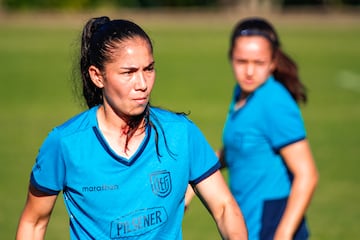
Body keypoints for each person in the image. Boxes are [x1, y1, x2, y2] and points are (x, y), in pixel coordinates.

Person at [16, 16, 248, 240]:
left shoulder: (180, 134)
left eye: (148, 69)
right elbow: (34, 222)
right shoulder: (65, 143)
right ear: (97, 76)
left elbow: (224, 207)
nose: (143, 84)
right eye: (129, 72)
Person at [217, 17, 319, 240]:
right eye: (242, 61)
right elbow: (240, 146)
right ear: (231, 58)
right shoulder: (242, 94)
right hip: (247, 221)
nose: (249, 71)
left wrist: (282, 234)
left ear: (273, 62)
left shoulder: (274, 101)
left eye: (259, 62)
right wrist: (203, 168)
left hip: (270, 226)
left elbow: (307, 175)